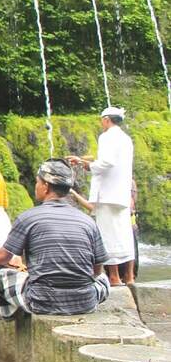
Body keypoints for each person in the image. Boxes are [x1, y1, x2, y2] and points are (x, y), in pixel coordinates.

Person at [0, 159, 110, 319]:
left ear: (45, 186)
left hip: (41, 302)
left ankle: (8, 319)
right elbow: (97, 271)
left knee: (1, 276)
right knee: (104, 279)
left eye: (37, 182)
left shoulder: (28, 217)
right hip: (85, 302)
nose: (36, 186)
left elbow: (2, 257)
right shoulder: (88, 221)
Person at [67, 107, 136, 286]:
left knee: (107, 234)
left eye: (101, 120)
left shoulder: (106, 136)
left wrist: (87, 165)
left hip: (107, 194)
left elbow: (106, 163)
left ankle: (113, 277)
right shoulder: (126, 138)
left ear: (106, 120)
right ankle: (129, 277)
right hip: (121, 193)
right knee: (125, 234)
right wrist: (85, 162)